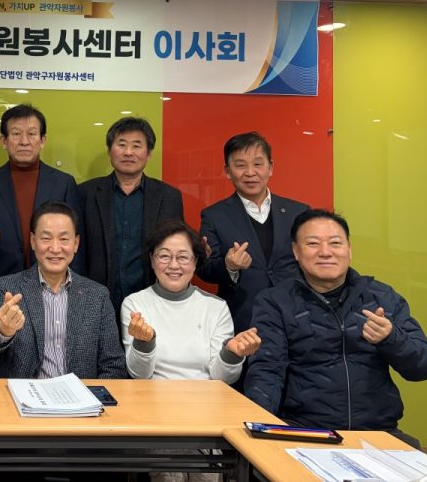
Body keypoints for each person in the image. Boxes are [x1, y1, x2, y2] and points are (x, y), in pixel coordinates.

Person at [246, 209, 427, 447]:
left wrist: (391, 339)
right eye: (313, 243)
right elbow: (267, 372)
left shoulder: (382, 297)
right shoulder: (276, 302)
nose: (325, 252)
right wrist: (262, 433)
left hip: (378, 433)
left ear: (349, 250)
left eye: (335, 243)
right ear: (296, 251)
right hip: (306, 432)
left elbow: (423, 366)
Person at [0, 201, 126, 379]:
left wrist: (91, 395)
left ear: (76, 244)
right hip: (24, 394)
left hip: (80, 394)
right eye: (46, 238)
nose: (55, 248)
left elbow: (114, 366)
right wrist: (3, 330)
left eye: (64, 239)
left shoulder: (97, 295)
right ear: (33, 241)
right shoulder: (7, 288)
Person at [0, 104, 84, 310]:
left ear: (43, 140)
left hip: (54, 287)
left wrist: (77, 291)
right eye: (16, 134)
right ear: (4, 141)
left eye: (31, 134)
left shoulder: (64, 183)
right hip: (0, 288)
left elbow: (76, 243)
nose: (24, 141)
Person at [122, 219, 261, 383]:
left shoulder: (216, 307)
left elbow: (223, 378)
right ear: (152, 259)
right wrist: (143, 343)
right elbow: (139, 374)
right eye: (164, 256)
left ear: (195, 261)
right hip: (152, 396)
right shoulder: (135, 304)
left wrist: (231, 353)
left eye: (183, 257)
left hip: (205, 396)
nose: (174, 265)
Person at [197, 132, 308, 333]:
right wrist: (229, 266)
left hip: (296, 317)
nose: (250, 173)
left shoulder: (298, 212)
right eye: (240, 165)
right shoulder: (214, 215)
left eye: (258, 164)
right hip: (243, 320)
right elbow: (204, 268)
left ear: (270, 167)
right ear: (227, 171)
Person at [82, 117, 184, 313]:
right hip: (95, 301)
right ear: (109, 150)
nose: (128, 152)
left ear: (149, 153)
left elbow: (177, 248)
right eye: (121, 144)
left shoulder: (169, 197)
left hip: (152, 302)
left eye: (137, 146)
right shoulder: (86, 193)